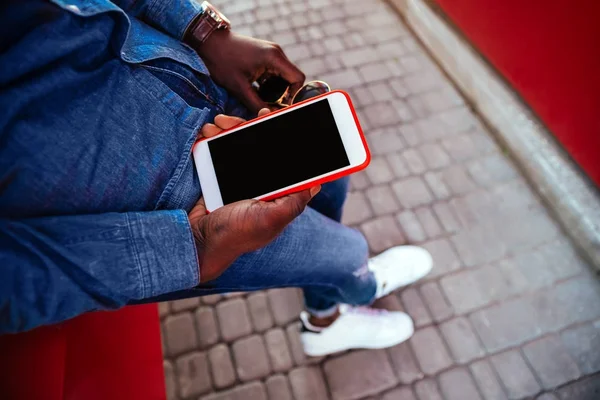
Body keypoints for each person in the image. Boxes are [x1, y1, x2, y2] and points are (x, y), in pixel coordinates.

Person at [0, 0, 432, 355]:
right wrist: (189, 248)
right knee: (343, 253)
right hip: (163, 214)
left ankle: (326, 308)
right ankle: (342, 306)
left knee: (328, 181)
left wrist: (202, 31)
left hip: (191, 82)